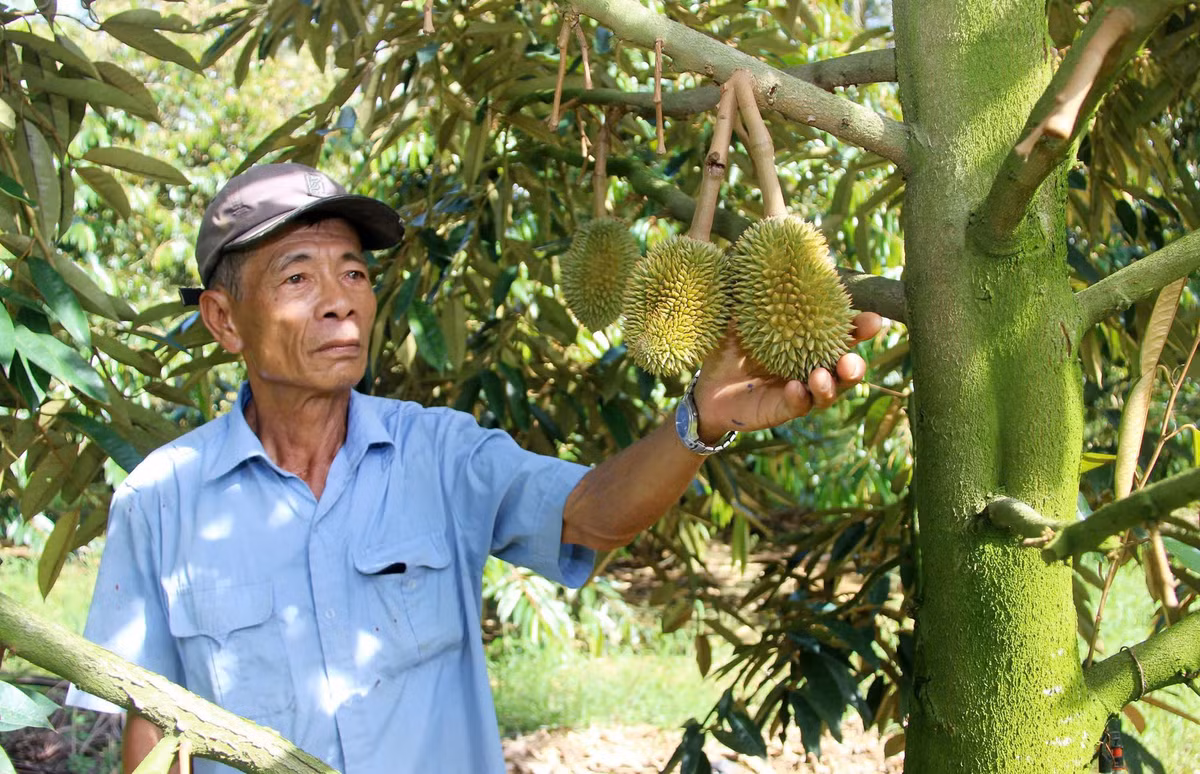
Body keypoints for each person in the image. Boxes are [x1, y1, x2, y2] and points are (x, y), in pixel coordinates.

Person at [69, 162, 881, 773]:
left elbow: (592, 513)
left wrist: (701, 421)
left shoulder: (440, 454)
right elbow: (153, 726)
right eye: (297, 276)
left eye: (353, 271)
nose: (341, 298)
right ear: (223, 320)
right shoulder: (162, 503)